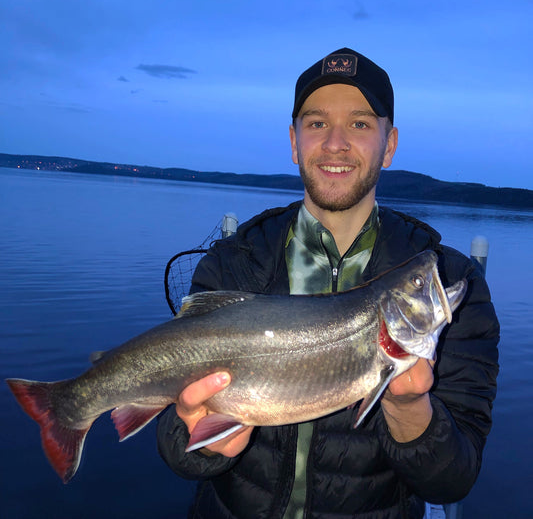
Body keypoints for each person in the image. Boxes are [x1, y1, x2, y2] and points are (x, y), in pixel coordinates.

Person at [157, 47, 499, 519]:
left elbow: (453, 478)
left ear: (390, 143)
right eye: (317, 123)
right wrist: (205, 441)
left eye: (359, 124)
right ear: (295, 142)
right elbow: (177, 449)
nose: (335, 143)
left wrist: (409, 408)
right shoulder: (231, 263)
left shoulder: (446, 283)